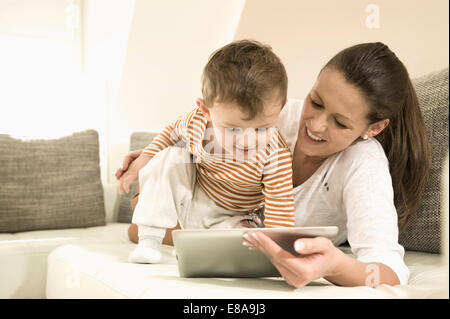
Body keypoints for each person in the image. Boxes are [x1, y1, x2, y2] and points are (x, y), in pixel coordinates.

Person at [116, 42, 431, 287]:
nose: (316, 125)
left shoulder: (362, 165)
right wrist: (150, 157)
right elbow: (209, 120)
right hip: (208, 213)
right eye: (316, 102)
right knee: (142, 214)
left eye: (339, 122)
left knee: (141, 220)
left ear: (372, 128)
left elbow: (388, 271)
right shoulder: (273, 114)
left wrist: (333, 265)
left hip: (234, 236)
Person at [119, 40, 296, 264]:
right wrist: (143, 160)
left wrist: (281, 254)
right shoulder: (196, 122)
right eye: (233, 129)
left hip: (236, 216)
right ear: (206, 110)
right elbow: (170, 132)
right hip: (193, 200)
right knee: (170, 157)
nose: (247, 141)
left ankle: (198, 247)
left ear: (280, 109)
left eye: (262, 128)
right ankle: (149, 241)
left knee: (249, 239)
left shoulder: (274, 154)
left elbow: (280, 209)